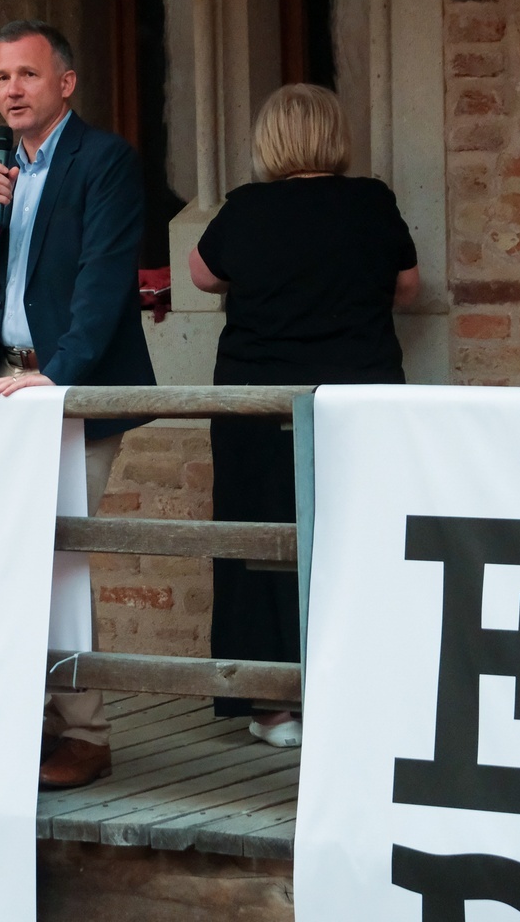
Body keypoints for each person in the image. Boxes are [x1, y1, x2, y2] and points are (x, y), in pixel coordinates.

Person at [0, 20, 156, 789]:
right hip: (11, 385)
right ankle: (25, 718)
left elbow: (103, 286)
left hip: (71, 387)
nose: (12, 90)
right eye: (3, 77)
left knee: (59, 557)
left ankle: (85, 732)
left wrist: (58, 378)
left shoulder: (104, 161)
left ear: (65, 83)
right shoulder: (3, 171)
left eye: (28, 75)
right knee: (13, 554)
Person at [189, 83, 419, 748]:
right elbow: (406, 286)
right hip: (358, 396)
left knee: (258, 542)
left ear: (270, 142)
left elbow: (201, 274)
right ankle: (359, 691)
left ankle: (271, 706)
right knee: (361, 535)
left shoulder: (246, 208)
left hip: (258, 401)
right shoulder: (371, 201)